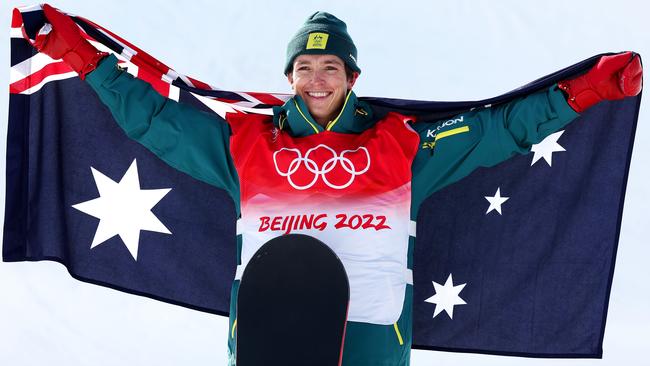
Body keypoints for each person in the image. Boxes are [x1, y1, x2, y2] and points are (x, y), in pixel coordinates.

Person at [35, 5, 642, 365]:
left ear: (353, 76)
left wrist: (584, 92)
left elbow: (496, 132)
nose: (317, 79)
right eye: (305, 68)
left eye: (330, 68)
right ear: (290, 77)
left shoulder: (402, 145)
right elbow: (156, 121)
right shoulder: (246, 145)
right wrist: (88, 63)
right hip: (271, 343)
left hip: (374, 343)